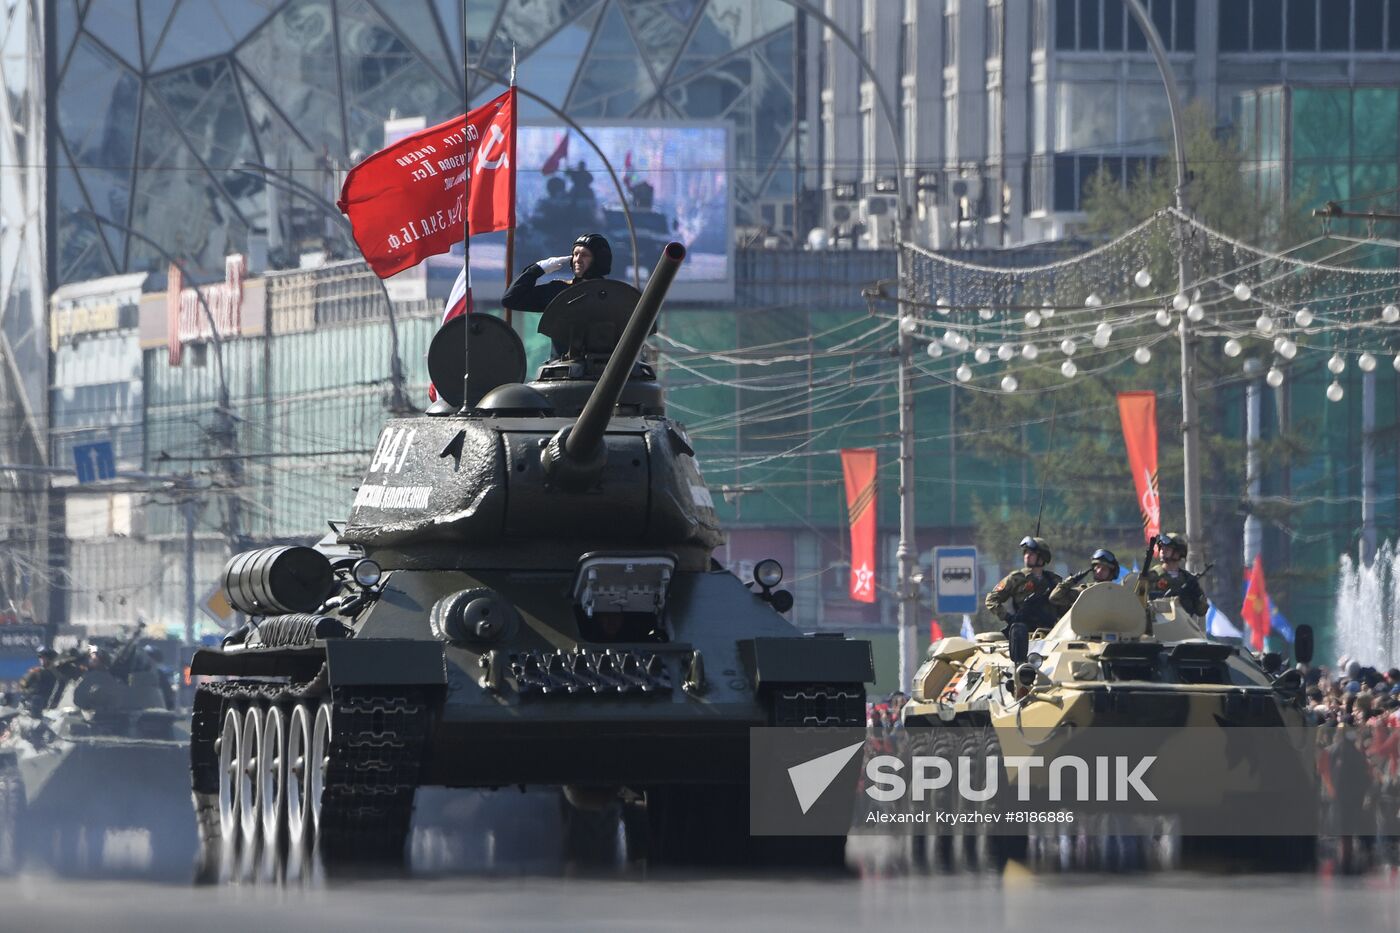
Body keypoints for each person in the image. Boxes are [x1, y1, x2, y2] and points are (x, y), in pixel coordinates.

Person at [502, 233, 614, 356]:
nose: (577, 259)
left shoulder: (613, 294)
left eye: (585, 255)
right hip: (563, 369)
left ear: (599, 260)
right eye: (575, 254)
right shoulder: (560, 291)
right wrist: (537, 269)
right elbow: (511, 299)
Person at [984, 536, 1064, 631]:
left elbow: (1065, 607)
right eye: (1025, 552)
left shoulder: (1053, 580)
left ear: (1042, 557)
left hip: (1051, 632)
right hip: (1024, 633)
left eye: (1031, 553)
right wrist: (1008, 617)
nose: (1027, 556)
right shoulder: (1016, 578)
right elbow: (991, 599)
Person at [1139, 532, 1209, 617]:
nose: (1163, 550)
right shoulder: (1152, 576)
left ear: (1178, 552)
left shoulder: (1188, 579)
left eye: (1167, 548)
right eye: (1162, 547)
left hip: (1182, 626)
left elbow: (1201, 611)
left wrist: (1196, 596)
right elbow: (1139, 602)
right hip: (1157, 626)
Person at [1049, 548, 1120, 611]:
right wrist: (1072, 580)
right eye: (1097, 567)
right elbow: (1055, 597)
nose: (1099, 571)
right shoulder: (1085, 591)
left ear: (1111, 573)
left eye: (1104, 569)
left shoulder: (1118, 594)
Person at [17, 647, 57, 712]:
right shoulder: (34, 672)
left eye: (44, 657)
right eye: (40, 657)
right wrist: (28, 695)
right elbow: (22, 685)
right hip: (32, 707)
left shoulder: (58, 674)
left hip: (51, 708)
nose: (42, 659)